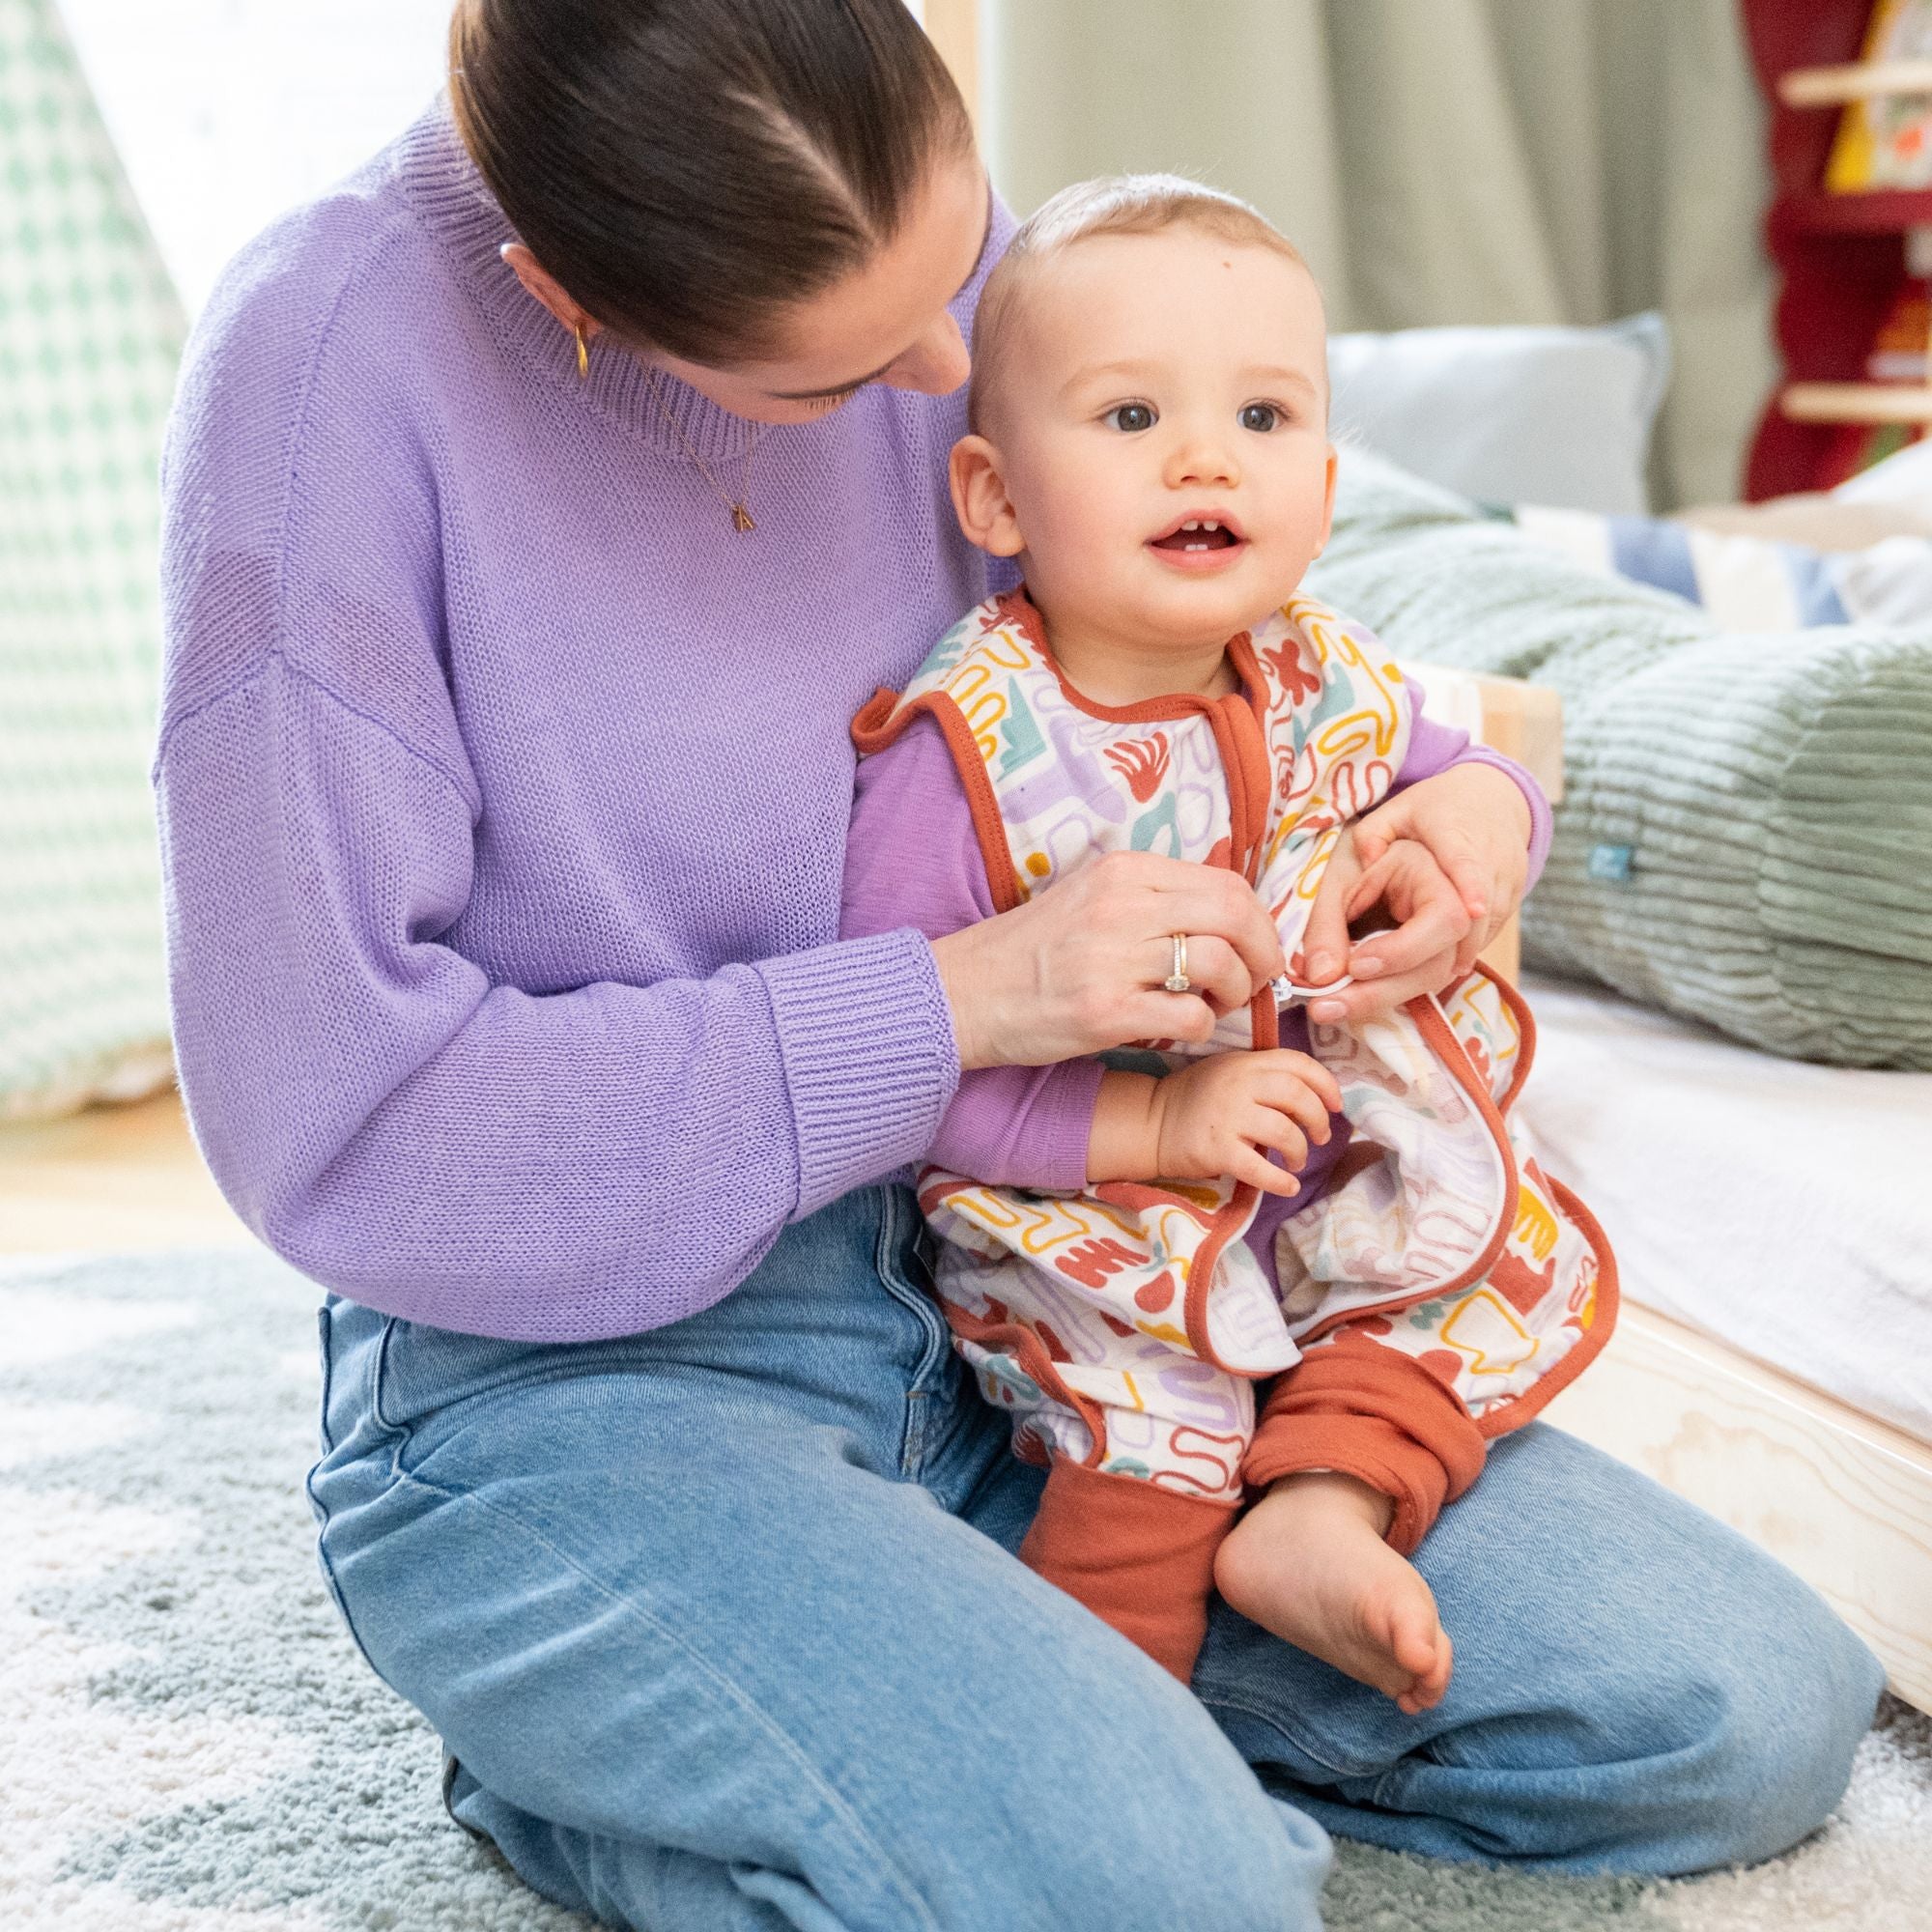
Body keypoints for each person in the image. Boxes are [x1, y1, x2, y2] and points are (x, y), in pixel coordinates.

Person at [152, 3, 1884, 1926]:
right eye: (848, 379)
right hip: (591, 1377)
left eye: (958, 254)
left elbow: (1245, 634)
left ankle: (957, 1715)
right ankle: (642, 1746)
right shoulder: (322, 393)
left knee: (1739, 1712)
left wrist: (1474, 819)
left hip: (1062, 1295)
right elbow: (348, 1131)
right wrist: (969, 1000)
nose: (949, 369)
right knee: (1179, 1901)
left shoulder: (885, 214)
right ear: (571, 297)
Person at [841, 175, 1616, 1709]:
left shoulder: (1321, 667)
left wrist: (1478, 823)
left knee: (1455, 1281)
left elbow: (1480, 769)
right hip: (1094, 1195)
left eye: (1263, 419)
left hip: (1325, 1156)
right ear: (996, 498)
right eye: (1130, 418)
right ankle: (1106, 1707)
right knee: (1154, 1417)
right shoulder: (971, 746)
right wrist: (1163, 1115)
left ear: (1324, 490)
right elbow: (910, 1062)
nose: (1206, 454)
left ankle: (1321, 1522)